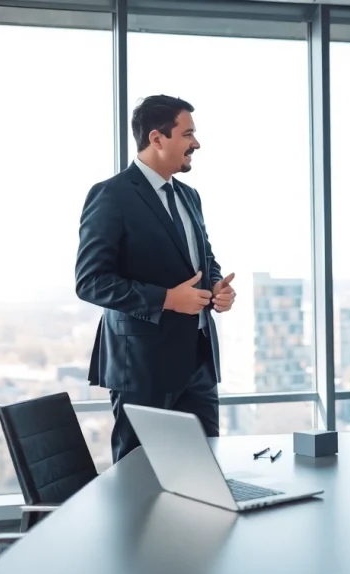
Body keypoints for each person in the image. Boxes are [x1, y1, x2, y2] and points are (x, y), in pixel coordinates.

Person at [75, 94, 236, 463]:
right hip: (142, 366)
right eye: (188, 133)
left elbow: (203, 259)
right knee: (139, 481)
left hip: (198, 361)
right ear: (157, 138)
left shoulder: (190, 197)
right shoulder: (112, 195)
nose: (196, 143)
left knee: (204, 473)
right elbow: (90, 280)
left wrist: (215, 289)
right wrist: (166, 298)